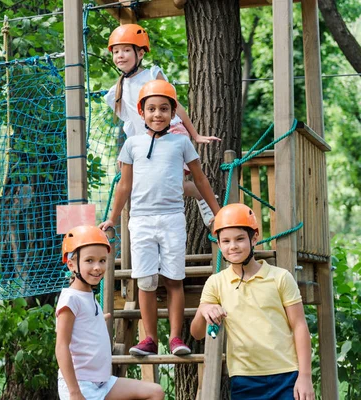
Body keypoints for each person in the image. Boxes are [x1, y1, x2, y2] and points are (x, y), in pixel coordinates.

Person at [99, 81, 220, 357]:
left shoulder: (181, 142)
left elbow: (199, 179)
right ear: (141, 112)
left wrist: (217, 212)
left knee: (174, 279)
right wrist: (112, 218)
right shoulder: (132, 144)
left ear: (173, 112)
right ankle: (150, 338)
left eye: (164, 109)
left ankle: (176, 338)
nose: (157, 114)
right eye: (151, 109)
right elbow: (124, 186)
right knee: (146, 282)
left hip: (171, 219)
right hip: (141, 220)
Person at [190, 203, 315, 400]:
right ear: (219, 244)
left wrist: (305, 376)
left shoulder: (280, 277)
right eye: (226, 241)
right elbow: (196, 333)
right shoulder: (216, 283)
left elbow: (300, 326)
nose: (233, 246)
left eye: (240, 239)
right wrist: (204, 309)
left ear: (254, 237)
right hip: (244, 380)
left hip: (286, 374)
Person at [105, 23, 221, 227]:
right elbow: (132, 122)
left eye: (125, 50)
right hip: (147, 140)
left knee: (174, 182)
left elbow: (177, 106)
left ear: (140, 53)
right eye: (116, 51)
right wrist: (126, 155)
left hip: (170, 132)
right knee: (154, 182)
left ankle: (206, 201)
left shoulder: (151, 75)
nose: (120, 55)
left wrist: (195, 135)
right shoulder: (118, 89)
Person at [56, 225, 165, 400]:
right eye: (89, 260)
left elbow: (83, 325)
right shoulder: (70, 300)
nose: (97, 267)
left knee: (155, 392)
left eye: (102, 260)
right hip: (81, 385)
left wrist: (97, 321)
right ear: (71, 265)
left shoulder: (88, 295)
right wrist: (74, 392)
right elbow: (61, 346)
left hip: (103, 383)